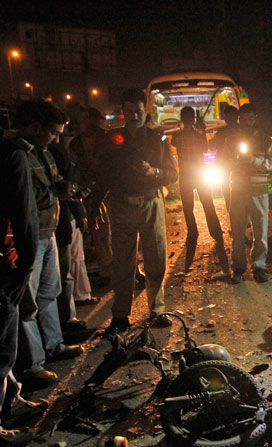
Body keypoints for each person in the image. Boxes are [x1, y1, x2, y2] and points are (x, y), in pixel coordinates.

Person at [9, 100, 84, 390]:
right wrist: (55, 191)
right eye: (53, 132)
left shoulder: (41, 151)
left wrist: (63, 188)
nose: (56, 139)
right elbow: (23, 199)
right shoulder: (16, 154)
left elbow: (52, 183)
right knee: (27, 305)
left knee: (48, 294)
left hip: (48, 231)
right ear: (34, 127)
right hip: (30, 236)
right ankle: (31, 365)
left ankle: (53, 346)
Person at [95, 88, 178, 335]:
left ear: (146, 111)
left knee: (156, 257)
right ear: (123, 112)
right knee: (122, 262)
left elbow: (173, 174)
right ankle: (120, 315)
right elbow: (102, 174)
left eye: (138, 111)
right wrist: (96, 202)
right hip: (121, 206)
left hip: (151, 202)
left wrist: (153, 173)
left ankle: (157, 310)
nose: (134, 116)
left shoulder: (158, 140)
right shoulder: (111, 141)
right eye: (129, 111)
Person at [0, 128, 49, 446]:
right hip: (5, 264)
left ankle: (11, 401)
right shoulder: (11, 156)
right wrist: (27, 267)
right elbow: (25, 214)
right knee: (2, 350)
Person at [222, 104, 272, 284]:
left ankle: (259, 267)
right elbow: (223, 163)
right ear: (239, 120)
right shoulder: (231, 140)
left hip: (259, 192)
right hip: (238, 191)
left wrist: (252, 160)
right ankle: (238, 268)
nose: (247, 122)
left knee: (260, 231)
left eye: (250, 118)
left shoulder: (264, 140)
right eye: (243, 118)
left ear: (255, 119)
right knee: (237, 231)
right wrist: (237, 162)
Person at [171, 106, 225, 267]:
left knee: (188, 208)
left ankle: (192, 233)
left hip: (186, 177)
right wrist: (201, 130)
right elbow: (205, 149)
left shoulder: (177, 136)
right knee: (208, 205)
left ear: (181, 119)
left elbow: (174, 144)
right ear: (193, 119)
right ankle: (216, 233)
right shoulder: (198, 135)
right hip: (200, 174)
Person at [49, 140, 90, 331]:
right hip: (51, 226)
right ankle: (63, 323)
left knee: (63, 274)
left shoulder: (49, 153)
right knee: (59, 276)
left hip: (59, 223)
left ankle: (64, 321)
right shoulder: (43, 156)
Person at [70, 108, 112, 289]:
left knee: (117, 234)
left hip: (108, 192)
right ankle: (107, 272)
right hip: (89, 194)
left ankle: (128, 271)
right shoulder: (75, 144)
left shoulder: (107, 139)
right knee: (99, 234)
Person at [211, 105, 240, 211]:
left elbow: (212, 146)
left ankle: (234, 219)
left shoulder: (221, 132)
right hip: (239, 165)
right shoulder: (243, 130)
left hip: (225, 166)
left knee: (227, 193)